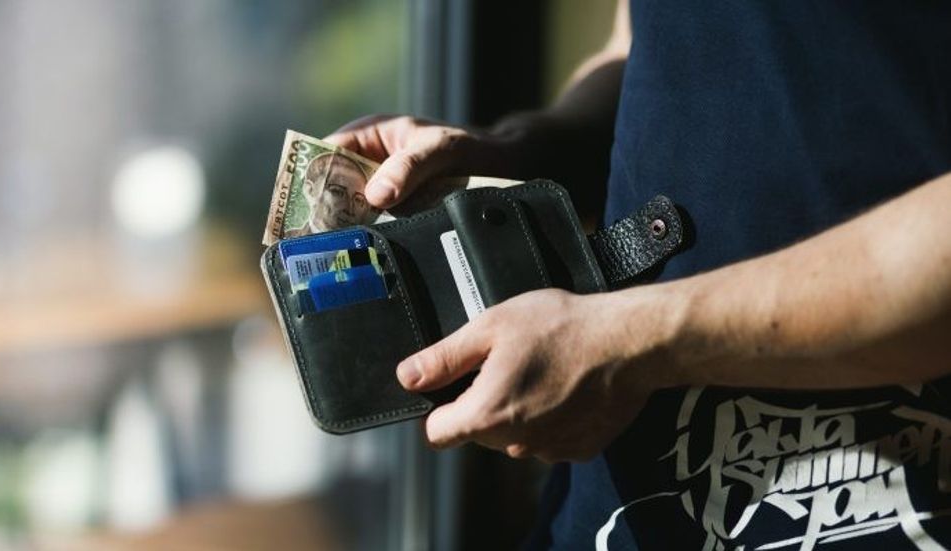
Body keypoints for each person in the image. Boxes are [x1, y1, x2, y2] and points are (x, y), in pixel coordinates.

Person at [326, 1, 951, 548]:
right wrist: (512, 155)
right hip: (616, 507)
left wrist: (639, 342)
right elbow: (648, 41)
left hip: (891, 498)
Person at [286, 152, 374, 236]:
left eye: (358, 199)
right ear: (310, 190)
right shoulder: (282, 241)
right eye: (337, 192)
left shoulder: (372, 244)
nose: (350, 210)